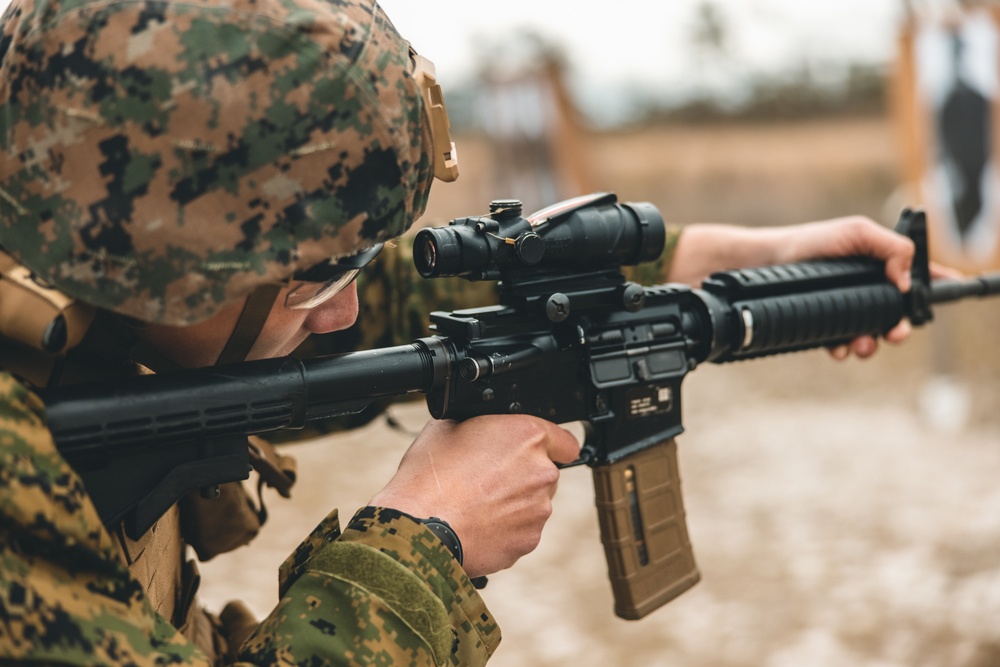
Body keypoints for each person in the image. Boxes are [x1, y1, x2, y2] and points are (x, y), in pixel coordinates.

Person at [0, 0, 936, 665]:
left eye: (359, 264)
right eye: (320, 273)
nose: (345, 314)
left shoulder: (85, 285)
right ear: (161, 261)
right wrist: (421, 537)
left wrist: (731, 255)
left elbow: (351, 313)